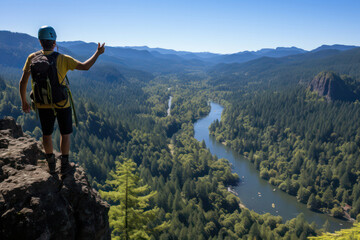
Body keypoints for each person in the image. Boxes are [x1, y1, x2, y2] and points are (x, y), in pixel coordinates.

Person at [19, 25, 105, 175]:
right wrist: (97, 53)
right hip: (62, 103)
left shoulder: (32, 58)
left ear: (40, 42)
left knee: (47, 134)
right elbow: (85, 67)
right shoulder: (62, 59)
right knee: (65, 133)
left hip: (42, 103)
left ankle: (51, 164)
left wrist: (24, 102)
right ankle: (64, 164)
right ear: (54, 42)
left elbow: (22, 82)